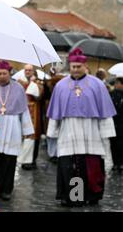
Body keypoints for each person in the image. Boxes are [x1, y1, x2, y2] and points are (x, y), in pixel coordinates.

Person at [46, 48, 116, 206]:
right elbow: (55, 113)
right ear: (69, 66)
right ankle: (72, 197)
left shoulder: (97, 85)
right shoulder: (61, 86)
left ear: (85, 66)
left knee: (91, 167)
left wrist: (106, 134)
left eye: (79, 66)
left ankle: (91, 195)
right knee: (69, 167)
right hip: (68, 132)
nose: (76, 69)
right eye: (73, 66)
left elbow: (105, 112)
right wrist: (53, 132)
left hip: (91, 132)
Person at [0, 61, 34, 200]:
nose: (2, 76)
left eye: (4, 73)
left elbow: (24, 111)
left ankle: (7, 190)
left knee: (9, 161)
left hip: (13, 127)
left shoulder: (18, 88)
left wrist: (27, 130)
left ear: (9, 73)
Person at [17, 64, 44, 170]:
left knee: (34, 136)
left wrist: (31, 84)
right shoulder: (19, 82)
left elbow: (40, 96)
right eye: (26, 70)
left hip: (34, 111)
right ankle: (23, 160)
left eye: (30, 70)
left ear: (33, 71)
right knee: (22, 136)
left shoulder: (38, 82)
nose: (27, 72)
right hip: (22, 110)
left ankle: (32, 160)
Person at [109, 77, 123, 172]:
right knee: (113, 144)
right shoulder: (111, 94)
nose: (116, 85)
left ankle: (121, 163)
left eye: (118, 83)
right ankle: (115, 163)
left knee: (121, 144)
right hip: (113, 122)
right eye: (116, 83)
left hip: (122, 123)